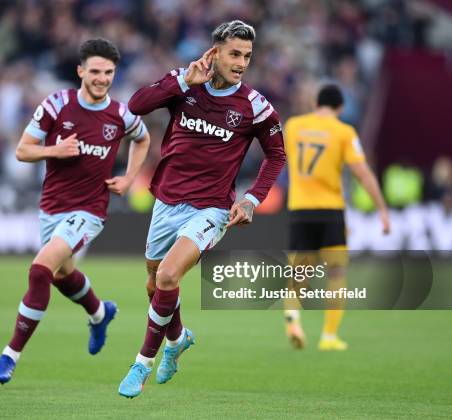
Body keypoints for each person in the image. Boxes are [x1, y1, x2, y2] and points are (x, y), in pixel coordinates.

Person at [117, 20, 286, 398]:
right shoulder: (186, 83)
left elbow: (276, 155)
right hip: (166, 202)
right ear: (215, 51)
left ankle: (141, 364)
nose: (241, 62)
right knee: (155, 284)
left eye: (247, 56)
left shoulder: (255, 106)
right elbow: (134, 107)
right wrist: (182, 82)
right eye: (234, 54)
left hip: (210, 209)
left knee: (166, 276)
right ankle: (176, 340)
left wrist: (251, 199)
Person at [0, 38, 150, 384]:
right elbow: (22, 150)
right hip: (51, 208)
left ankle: (9, 356)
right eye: (95, 71)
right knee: (62, 275)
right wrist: (55, 151)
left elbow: (143, 139)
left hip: (89, 211)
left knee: (39, 271)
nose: (101, 78)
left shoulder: (121, 114)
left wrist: (129, 178)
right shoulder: (56, 104)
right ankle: (98, 312)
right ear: (80, 71)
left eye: (108, 72)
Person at [283, 83, 390, 351]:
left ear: (316, 103)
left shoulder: (294, 126)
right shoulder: (344, 132)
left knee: (300, 272)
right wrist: (382, 209)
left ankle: (292, 318)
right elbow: (362, 173)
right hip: (330, 210)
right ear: (340, 107)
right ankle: (329, 336)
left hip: (299, 208)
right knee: (337, 272)